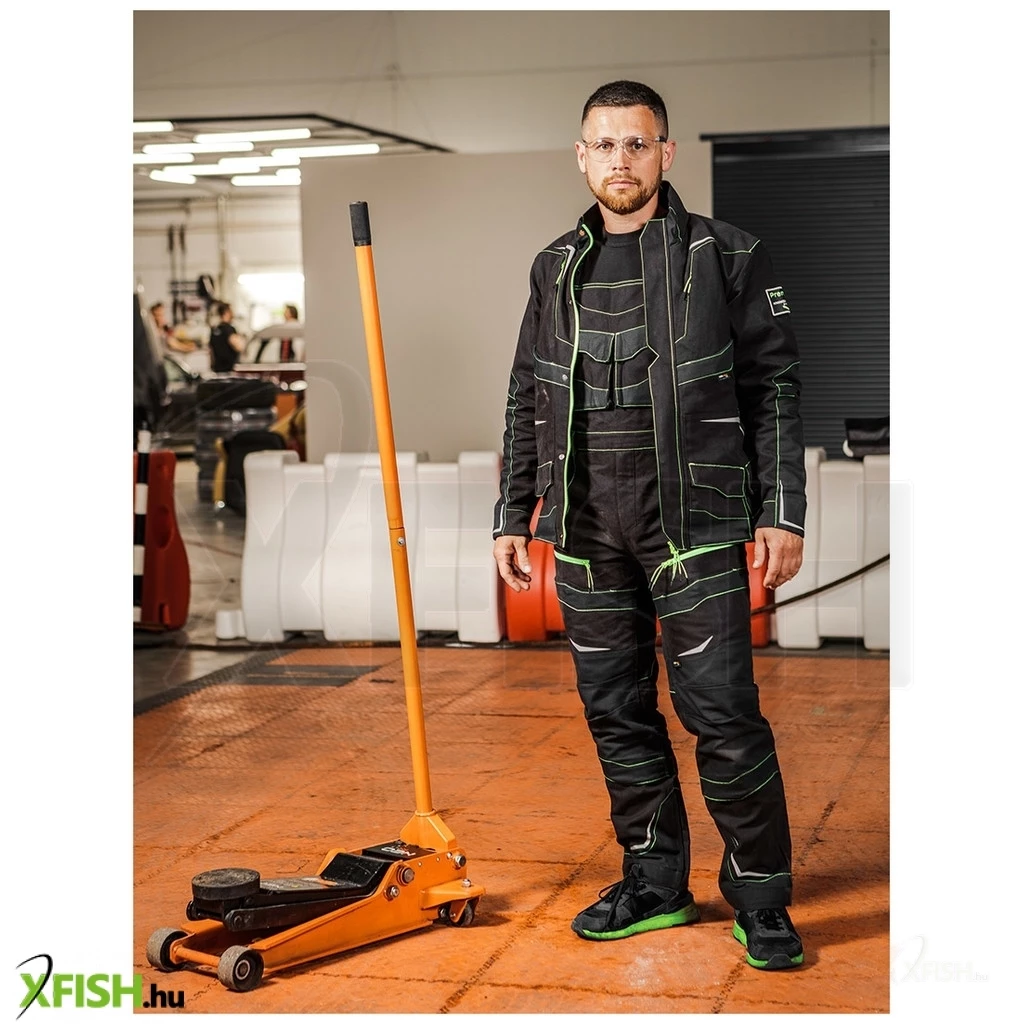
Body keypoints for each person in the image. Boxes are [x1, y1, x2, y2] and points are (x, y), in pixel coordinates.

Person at [491, 81, 807, 971]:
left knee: (723, 715)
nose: (620, 160)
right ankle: (656, 881)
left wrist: (781, 510)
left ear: (666, 153)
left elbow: (775, 389)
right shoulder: (554, 267)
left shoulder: (727, 255)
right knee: (616, 713)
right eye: (605, 144)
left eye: (637, 143)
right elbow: (526, 394)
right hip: (587, 525)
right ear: (581, 156)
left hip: (695, 521)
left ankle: (761, 898)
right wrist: (513, 511)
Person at [208, 302, 247, 372]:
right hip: (230, 370)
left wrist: (212, 366)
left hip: (217, 370)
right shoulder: (229, 329)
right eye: (231, 311)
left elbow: (211, 351)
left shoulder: (214, 330)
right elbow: (239, 347)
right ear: (227, 312)